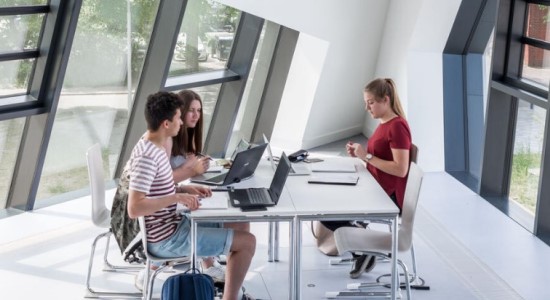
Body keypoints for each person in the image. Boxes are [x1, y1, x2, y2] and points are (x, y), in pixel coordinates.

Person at [127, 91, 256, 300]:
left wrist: (184, 190)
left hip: (175, 224)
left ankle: (225, 281)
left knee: (239, 222)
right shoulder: (146, 157)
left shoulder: (157, 147)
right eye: (179, 117)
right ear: (166, 123)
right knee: (248, 242)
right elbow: (134, 208)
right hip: (166, 238)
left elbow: (158, 187)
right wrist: (176, 198)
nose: (181, 121)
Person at [323, 78, 412, 279]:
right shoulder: (384, 124)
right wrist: (361, 155)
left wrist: (367, 157)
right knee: (326, 204)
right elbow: (380, 158)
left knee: (326, 212)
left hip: (386, 197)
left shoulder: (397, 127)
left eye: (370, 102)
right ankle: (360, 244)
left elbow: (401, 169)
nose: (367, 107)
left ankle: (361, 249)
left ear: (385, 100)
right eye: (366, 102)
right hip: (374, 187)